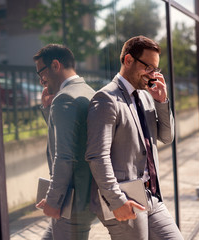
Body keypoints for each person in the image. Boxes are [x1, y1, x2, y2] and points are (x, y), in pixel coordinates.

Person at [85, 36, 183, 239]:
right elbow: (97, 156)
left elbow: (166, 137)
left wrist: (162, 102)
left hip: (151, 196)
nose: (152, 75)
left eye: (156, 69)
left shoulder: (147, 96)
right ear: (128, 60)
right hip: (124, 199)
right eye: (148, 67)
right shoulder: (106, 99)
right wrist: (117, 201)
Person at [33, 44, 96, 240]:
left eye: (41, 73)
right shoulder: (88, 91)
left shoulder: (65, 98)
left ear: (55, 65)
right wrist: (48, 109)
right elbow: (72, 137)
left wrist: (53, 200)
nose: (41, 80)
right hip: (85, 195)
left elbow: (65, 156)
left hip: (70, 202)